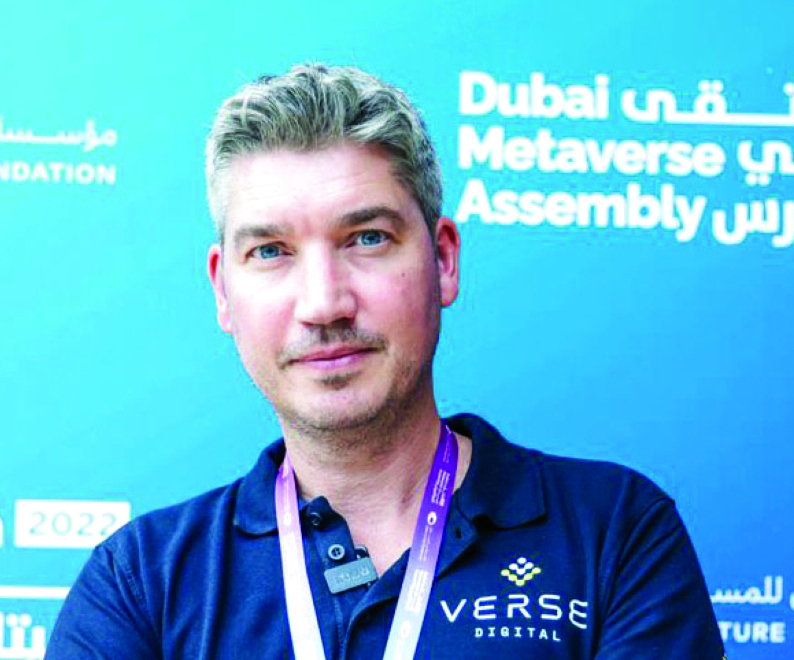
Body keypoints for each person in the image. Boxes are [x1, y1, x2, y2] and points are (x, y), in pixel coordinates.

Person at [45, 63, 726, 659]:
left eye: (367, 238)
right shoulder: (140, 584)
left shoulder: (614, 535)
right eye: (272, 252)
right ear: (224, 291)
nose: (324, 303)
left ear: (444, 261)